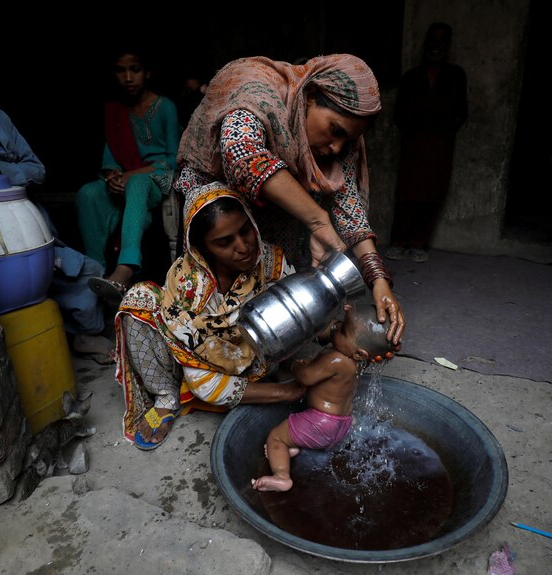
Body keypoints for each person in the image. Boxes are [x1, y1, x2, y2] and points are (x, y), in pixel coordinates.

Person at [175, 54, 405, 345]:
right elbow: (241, 153)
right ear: (309, 97)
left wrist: (379, 281)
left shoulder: (341, 145)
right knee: (213, 294)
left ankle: (271, 339)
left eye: (347, 140)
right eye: (335, 131)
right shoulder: (259, 90)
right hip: (216, 199)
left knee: (275, 285)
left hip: (274, 211)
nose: (337, 147)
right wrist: (317, 219)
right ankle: (211, 347)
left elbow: (349, 208)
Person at [114, 182, 307, 450]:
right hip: (194, 365)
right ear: (201, 248)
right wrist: (288, 392)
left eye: (245, 230)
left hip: (258, 358)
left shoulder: (270, 261)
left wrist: (330, 327)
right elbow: (201, 383)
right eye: (224, 242)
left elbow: (300, 311)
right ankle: (166, 398)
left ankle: (262, 382)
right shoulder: (188, 286)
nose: (243, 247)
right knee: (138, 298)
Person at [0, 71, 113, 362]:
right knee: (25, 286)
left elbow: (38, 171)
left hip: (29, 218)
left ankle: (82, 335)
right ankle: (66, 337)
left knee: (87, 270)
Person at [251, 302, 395, 492]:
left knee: (276, 438)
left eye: (343, 331)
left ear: (359, 353)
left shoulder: (336, 359)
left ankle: (281, 476)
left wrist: (298, 367)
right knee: (294, 438)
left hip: (320, 423)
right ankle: (294, 448)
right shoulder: (360, 363)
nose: (336, 330)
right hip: (342, 425)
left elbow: (305, 378)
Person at [78, 47, 181, 304]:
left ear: (147, 73)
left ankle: (126, 266)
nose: (128, 77)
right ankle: (97, 270)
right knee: (88, 193)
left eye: (134, 70)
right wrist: (113, 176)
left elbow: (173, 159)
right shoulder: (114, 111)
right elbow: (110, 158)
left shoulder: (165, 107)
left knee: (136, 181)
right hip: (127, 180)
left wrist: (130, 175)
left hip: (157, 180)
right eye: (120, 71)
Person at [386, 22, 467, 264]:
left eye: (442, 41)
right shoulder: (412, 77)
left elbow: (460, 111)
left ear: (448, 46)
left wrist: (443, 130)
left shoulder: (455, 75)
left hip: (441, 145)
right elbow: (399, 114)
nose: (436, 46)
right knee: (407, 194)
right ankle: (400, 241)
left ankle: (420, 243)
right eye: (432, 40)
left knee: (432, 193)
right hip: (413, 144)